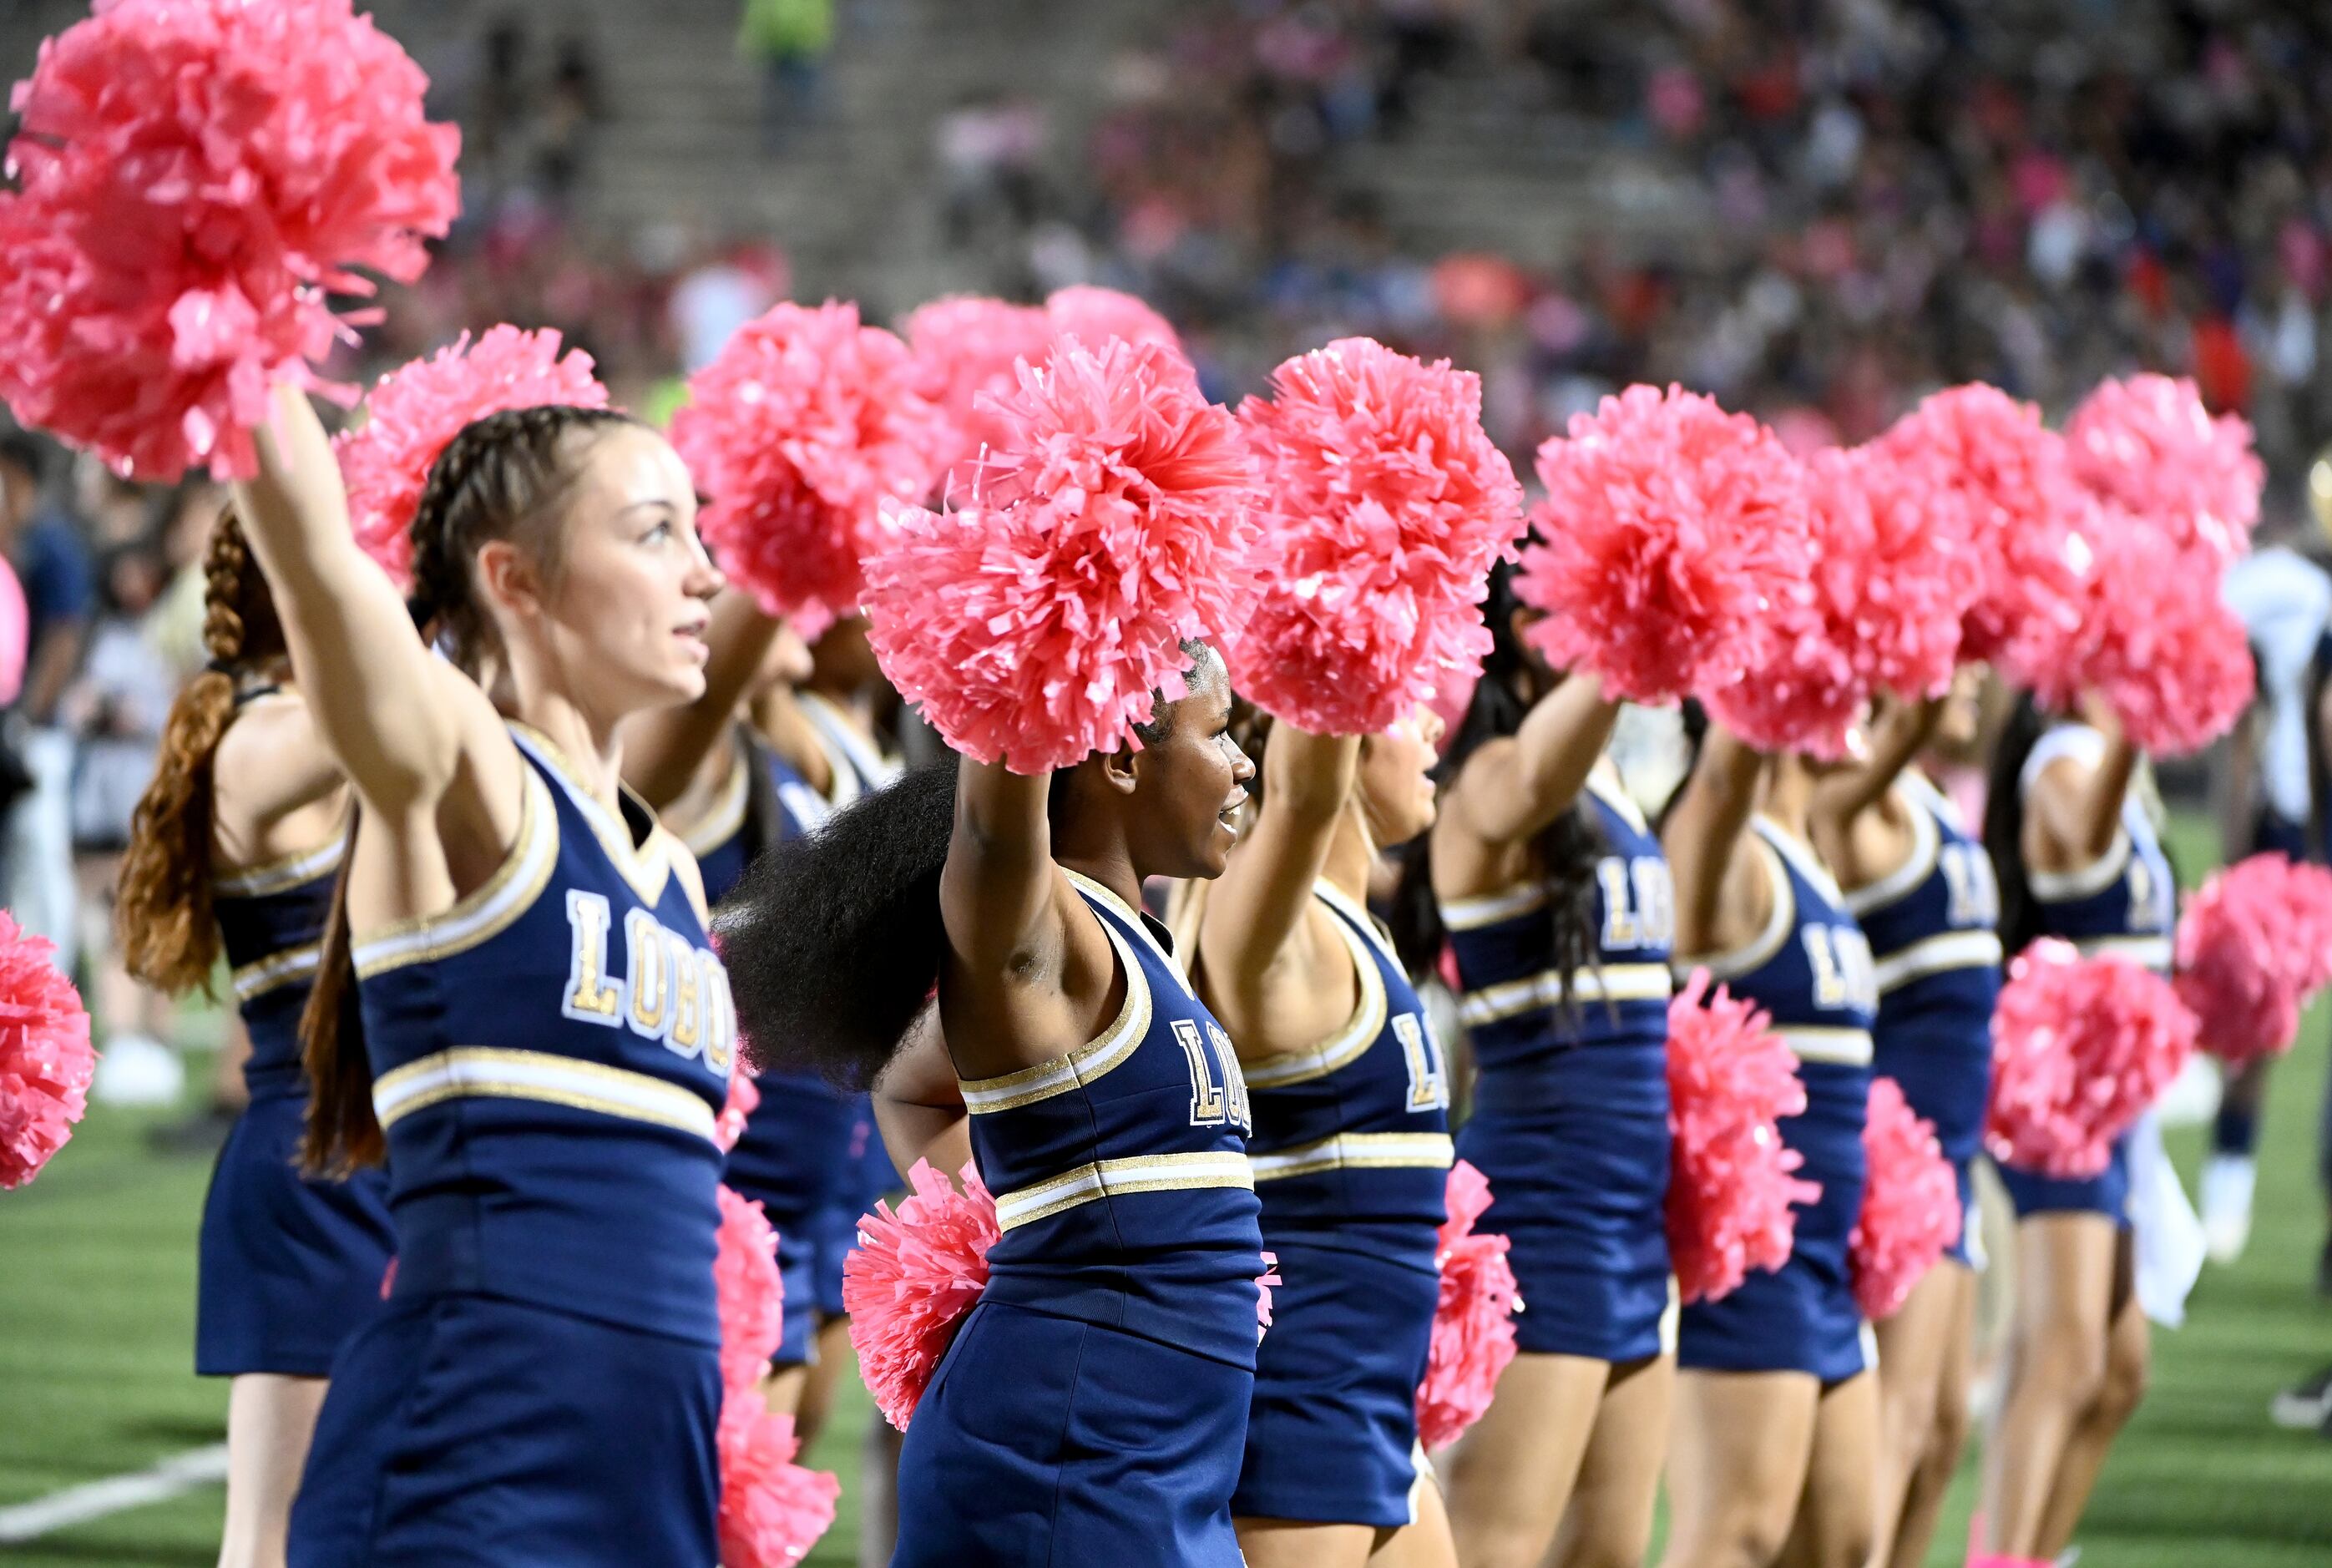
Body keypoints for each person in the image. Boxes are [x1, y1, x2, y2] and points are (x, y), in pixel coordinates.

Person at [229, 384, 736, 1565]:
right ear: (514, 579)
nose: (703, 573)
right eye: (657, 531)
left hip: (656, 1466)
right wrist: (233, 316)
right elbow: (311, 558)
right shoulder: (462, 762)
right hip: (473, 1449)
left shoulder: (673, 869)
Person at [718, 640, 1263, 1565]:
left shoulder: (1137, 943)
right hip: (1067, 1455)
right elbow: (994, 827)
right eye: (1221, 734)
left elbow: (909, 1080)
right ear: (1124, 755)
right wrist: (1048, 622)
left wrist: (1021, 1192)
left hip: (1156, 1456)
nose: (1246, 763)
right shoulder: (1042, 935)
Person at [114, 511, 393, 1568]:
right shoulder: (267, 737)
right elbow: (417, 702)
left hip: (380, 1159)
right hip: (313, 1171)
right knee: (271, 1540)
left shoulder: (303, 723)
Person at [1417, 579, 1674, 1568]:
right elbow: (1534, 776)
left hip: (1632, 1215)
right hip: (1543, 1211)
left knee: (1609, 1549)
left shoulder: (1610, 781)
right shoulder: (1486, 781)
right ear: (1528, 634)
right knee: (1498, 1544)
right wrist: (1637, 620)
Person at [1176, 704, 1454, 1568]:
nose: (1438, 732)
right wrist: (1342, 615)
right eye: (1408, 709)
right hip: (1300, 1423)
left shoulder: (1348, 923)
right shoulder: (1269, 933)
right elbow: (1300, 797)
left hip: (1374, 1411)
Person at [1660, 716, 1879, 1568]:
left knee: (1844, 1540)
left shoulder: (1810, 840)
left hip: (1828, 1263)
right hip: (1755, 1262)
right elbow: (1721, 784)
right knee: (1734, 1537)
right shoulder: (1727, 844)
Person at [1805, 680, 2001, 1568]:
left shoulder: (1928, 797)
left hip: (1954, 1157)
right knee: (1900, 1420)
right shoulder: (1857, 800)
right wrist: (1916, 688)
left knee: (1944, 1428)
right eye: (1953, 663)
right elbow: (1880, 752)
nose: (1974, 679)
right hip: (1906, 1160)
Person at [1976, 694, 2167, 1566]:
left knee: (2120, 1368)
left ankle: (2031, 1555)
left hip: (2117, 1106)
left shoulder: (2101, 765)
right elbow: (2083, 847)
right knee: (2061, 1357)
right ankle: (2004, 1555)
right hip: (2063, 1099)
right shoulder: (2061, 759)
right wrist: (2140, 727)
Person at [0, 431, 94, 972]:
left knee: (43, 857)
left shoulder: (50, 542)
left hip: (40, 734)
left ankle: (50, 976)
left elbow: (63, 636)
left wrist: (30, 716)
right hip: (18, 730)